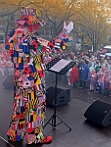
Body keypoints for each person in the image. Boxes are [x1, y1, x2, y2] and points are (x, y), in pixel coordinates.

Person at [5, 7, 73, 145]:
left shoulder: (12, 36)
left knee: (19, 108)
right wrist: (65, 33)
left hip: (19, 80)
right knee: (34, 110)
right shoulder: (31, 40)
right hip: (33, 82)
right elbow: (54, 47)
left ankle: (15, 134)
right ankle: (35, 138)